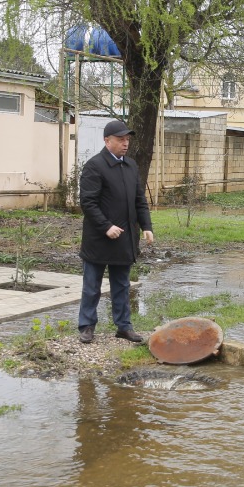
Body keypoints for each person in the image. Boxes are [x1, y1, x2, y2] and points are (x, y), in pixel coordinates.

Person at [78, 118, 153, 344]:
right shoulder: (94, 166)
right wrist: (106, 226)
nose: (125, 143)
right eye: (120, 139)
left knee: (121, 285)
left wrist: (147, 226)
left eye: (127, 139)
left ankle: (123, 327)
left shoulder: (130, 166)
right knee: (92, 287)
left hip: (124, 238)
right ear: (107, 140)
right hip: (99, 239)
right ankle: (87, 326)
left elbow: (140, 201)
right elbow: (88, 202)